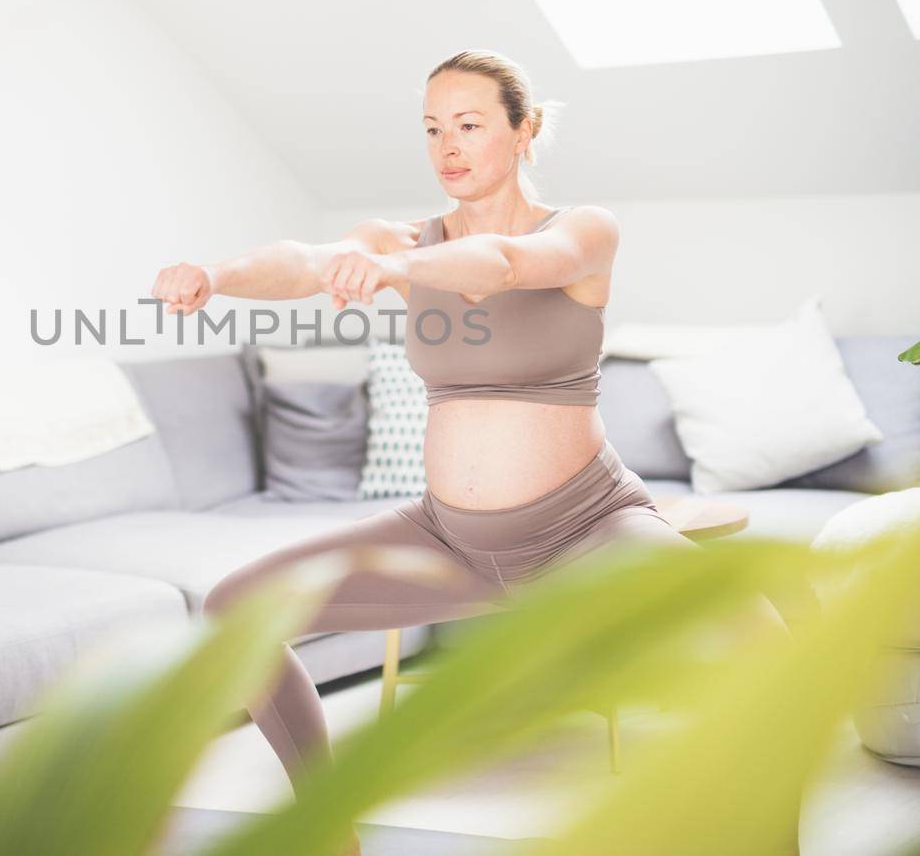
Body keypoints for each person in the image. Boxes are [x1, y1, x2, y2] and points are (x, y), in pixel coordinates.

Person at [150, 50, 793, 856]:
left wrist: (392, 268)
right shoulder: (403, 239)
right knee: (233, 608)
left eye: (469, 124)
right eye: (431, 129)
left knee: (760, 637)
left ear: (524, 132)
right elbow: (307, 262)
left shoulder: (583, 230)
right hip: (447, 540)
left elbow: (505, 267)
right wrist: (215, 275)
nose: (447, 146)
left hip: (585, 529)